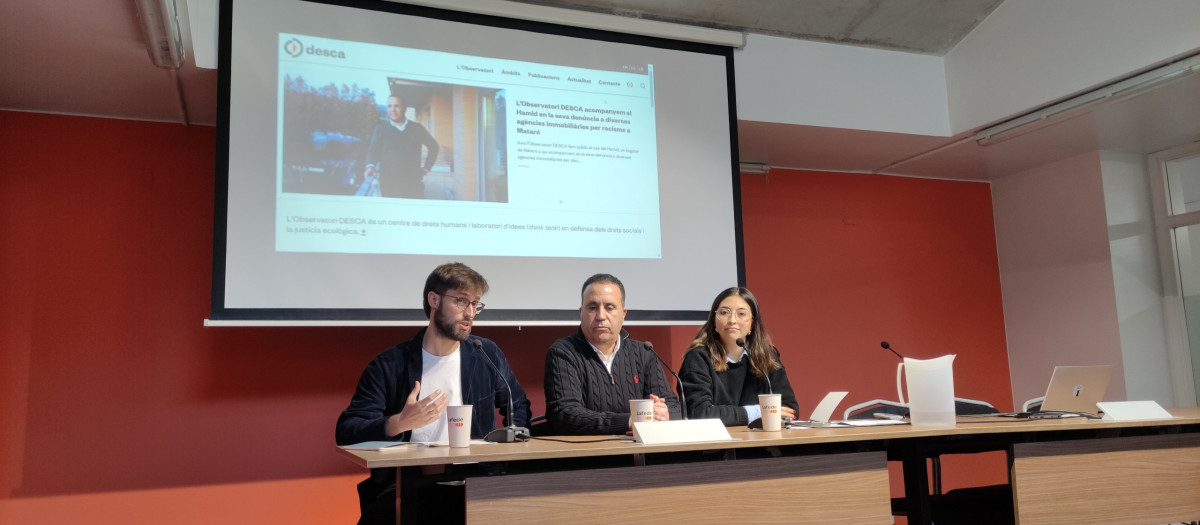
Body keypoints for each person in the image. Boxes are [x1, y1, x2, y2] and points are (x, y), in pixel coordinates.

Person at [335, 262, 531, 525]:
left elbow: (517, 404)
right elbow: (347, 430)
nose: (470, 312)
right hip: (410, 485)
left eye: (475, 304)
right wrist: (398, 423)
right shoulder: (390, 365)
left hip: (475, 482)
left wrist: (508, 449)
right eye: (462, 301)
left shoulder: (484, 353)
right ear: (434, 300)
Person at [543, 274, 681, 435]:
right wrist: (629, 420)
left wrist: (664, 413)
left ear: (623, 313)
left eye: (609, 307)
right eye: (592, 307)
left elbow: (674, 407)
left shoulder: (644, 353)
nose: (601, 316)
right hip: (586, 456)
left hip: (640, 453)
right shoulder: (563, 352)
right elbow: (564, 415)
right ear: (581, 312)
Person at [679, 287, 798, 426]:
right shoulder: (698, 358)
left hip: (761, 444)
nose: (732, 320)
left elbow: (789, 410)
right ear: (714, 322)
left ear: (752, 324)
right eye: (724, 313)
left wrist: (733, 415)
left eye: (741, 314)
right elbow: (701, 413)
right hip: (717, 445)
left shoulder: (766, 357)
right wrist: (760, 412)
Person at [363, 94, 440, 199]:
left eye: (396, 106)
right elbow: (372, 150)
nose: (392, 110)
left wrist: (427, 168)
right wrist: (370, 166)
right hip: (389, 186)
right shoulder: (380, 129)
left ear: (404, 109)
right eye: (389, 106)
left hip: (413, 185)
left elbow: (434, 147)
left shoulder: (417, 128)